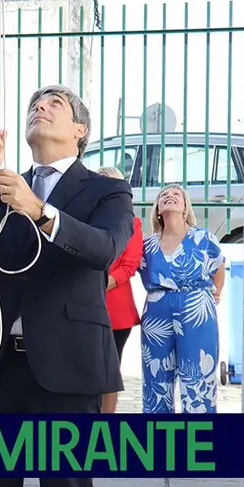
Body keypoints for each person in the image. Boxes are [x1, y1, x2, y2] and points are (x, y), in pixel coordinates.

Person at [0, 85, 134, 487]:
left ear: (80, 131)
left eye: (53, 104)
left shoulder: (106, 189)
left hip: (66, 367)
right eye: (34, 105)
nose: (39, 108)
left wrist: (40, 210)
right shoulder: (3, 185)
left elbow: (105, 248)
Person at [139, 184, 225, 413]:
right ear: (157, 209)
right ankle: (159, 441)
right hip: (156, 314)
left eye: (176, 194)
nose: (170, 196)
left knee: (199, 379)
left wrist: (213, 295)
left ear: (186, 207)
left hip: (196, 311)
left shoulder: (204, 238)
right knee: (155, 379)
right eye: (164, 195)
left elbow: (219, 270)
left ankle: (198, 441)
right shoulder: (146, 245)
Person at [96, 166, 143, 413]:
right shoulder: (85, 219)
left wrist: (98, 283)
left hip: (116, 311)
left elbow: (129, 266)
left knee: (110, 371)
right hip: (84, 306)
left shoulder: (133, 224)